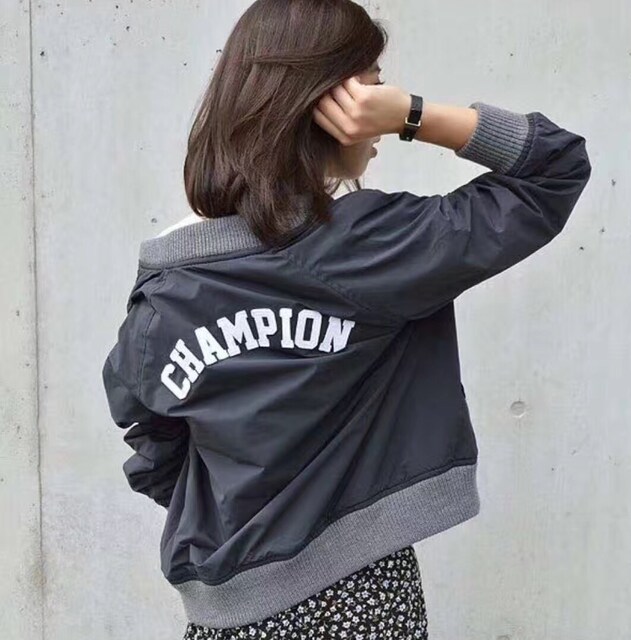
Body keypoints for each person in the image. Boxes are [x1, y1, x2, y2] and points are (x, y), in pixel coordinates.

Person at [100, 0, 592, 638]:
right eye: (374, 85)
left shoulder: (169, 282)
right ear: (332, 103)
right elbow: (554, 169)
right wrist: (413, 115)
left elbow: (151, 436)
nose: (380, 105)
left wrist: (244, 524)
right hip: (358, 596)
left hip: (225, 614)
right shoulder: (368, 247)